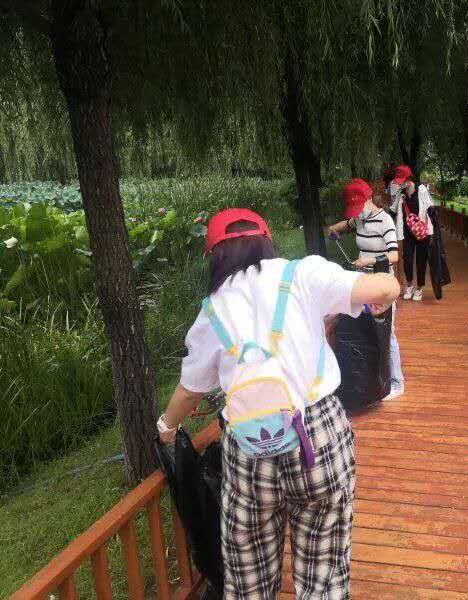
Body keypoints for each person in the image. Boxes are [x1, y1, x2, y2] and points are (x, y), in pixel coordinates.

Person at [157, 207, 400, 598]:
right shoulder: (302, 274)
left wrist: (167, 429)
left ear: (214, 255)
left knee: (249, 577)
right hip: (317, 436)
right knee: (324, 574)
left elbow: (190, 390)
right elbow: (382, 290)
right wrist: (386, 281)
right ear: (266, 242)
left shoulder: (212, 310)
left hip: (248, 446)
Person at [328, 179, 405, 399]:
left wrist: (368, 260)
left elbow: (394, 255)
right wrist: (334, 230)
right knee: (366, 329)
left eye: (358, 206)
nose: (357, 213)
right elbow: (344, 225)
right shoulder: (359, 219)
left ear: (369, 199)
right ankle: (373, 380)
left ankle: (397, 382)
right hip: (363, 285)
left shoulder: (385, 220)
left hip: (382, 284)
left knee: (386, 331)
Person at [399, 179, 435, 301]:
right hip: (407, 232)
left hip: (422, 231)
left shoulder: (421, 190)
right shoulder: (401, 192)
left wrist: (431, 232)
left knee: (421, 260)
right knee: (407, 258)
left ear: (409, 180)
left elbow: (430, 209)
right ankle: (409, 285)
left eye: (402, 181)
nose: (401, 184)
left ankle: (419, 288)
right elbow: (396, 210)